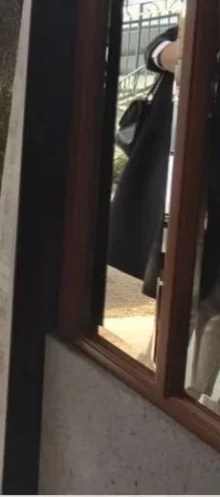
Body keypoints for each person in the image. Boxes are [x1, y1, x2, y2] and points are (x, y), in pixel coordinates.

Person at [108, 26, 220, 408]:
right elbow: (157, 51)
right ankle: (163, 375)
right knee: (178, 283)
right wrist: (183, 57)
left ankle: (193, 394)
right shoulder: (205, 18)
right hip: (186, 184)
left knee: (210, 299)